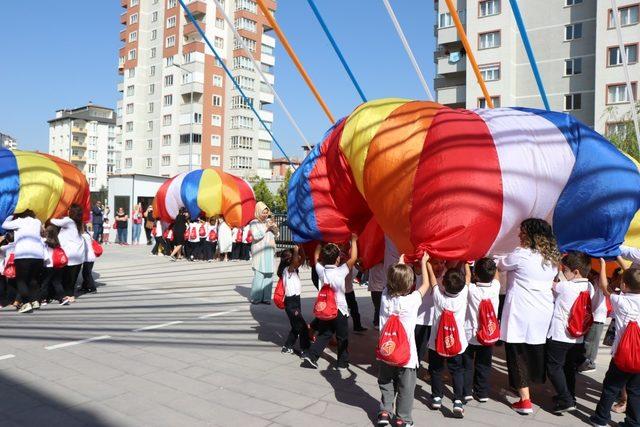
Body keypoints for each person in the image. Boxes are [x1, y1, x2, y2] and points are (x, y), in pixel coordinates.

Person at [496, 218, 560, 415]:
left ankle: (525, 400)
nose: (519, 234)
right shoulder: (551, 258)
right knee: (534, 348)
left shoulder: (521, 255)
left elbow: (500, 264)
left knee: (516, 352)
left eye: (522, 231)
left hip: (521, 310)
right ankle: (528, 383)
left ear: (530, 235)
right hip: (542, 310)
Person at [376, 252, 431, 427]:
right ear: (410, 285)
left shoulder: (385, 298)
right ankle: (403, 418)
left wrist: (400, 263)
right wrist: (424, 262)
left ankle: (385, 411)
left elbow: (389, 283)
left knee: (386, 382)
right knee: (406, 388)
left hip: (387, 351)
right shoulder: (412, 301)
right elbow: (426, 285)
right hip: (406, 357)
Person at [590, 264, 640, 427]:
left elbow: (605, 287)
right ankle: (633, 423)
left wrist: (603, 264)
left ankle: (600, 419)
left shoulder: (621, 301)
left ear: (624, 285)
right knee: (635, 391)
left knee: (611, 387)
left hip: (622, 354)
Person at [301, 234, 358, 373]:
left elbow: (315, 257)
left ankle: (312, 355)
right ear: (338, 259)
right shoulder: (340, 271)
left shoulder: (321, 270)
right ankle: (342, 363)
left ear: (323, 258)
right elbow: (353, 258)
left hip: (326, 309)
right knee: (342, 337)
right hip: (339, 309)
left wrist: (320, 243)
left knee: (324, 334)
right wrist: (354, 241)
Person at [545, 251, 593, 414]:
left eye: (566, 270)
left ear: (576, 272)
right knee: (568, 369)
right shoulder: (590, 287)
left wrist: (557, 267)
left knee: (553, 367)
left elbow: (552, 284)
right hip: (578, 337)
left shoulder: (565, 286)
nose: (564, 273)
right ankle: (570, 396)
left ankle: (565, 399)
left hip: (560, 334)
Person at [427, 265, 469, 418]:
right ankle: (458, 400)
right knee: (457, 371)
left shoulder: (438, 296)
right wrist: (466, 263)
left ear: (443, 283)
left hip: (436, 343)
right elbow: (468, 278)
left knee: (436, 370)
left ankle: (436, 397)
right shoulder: (463, 294)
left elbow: (432, 281)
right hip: (456, 344)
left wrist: (427, 264)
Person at [463, 258, 500, 404]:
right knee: (484, 364)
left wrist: (466, 264)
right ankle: (482, 392)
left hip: (470, 334)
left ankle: (466, 392)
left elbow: (466, 279)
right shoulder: (496, 287)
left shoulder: (471, 290)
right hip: (488, 334)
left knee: (467, 364)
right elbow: (496, 276)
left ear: (475, 275)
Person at [1, 210, 45, 314]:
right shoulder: (37, 221)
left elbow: (4, 225)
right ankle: (35, 301)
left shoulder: (19, 221)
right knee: (33, 279)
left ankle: (25, 303)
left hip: (23, 254)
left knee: (21, 280)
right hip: (38, 254)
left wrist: (11, 215)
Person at [278, 246, 311, 355]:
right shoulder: (287, 270)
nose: (297, 258)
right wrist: (296, 250)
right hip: (291, 303)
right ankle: (305, 350)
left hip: (296, 300)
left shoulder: (293, 269)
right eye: (294, 257)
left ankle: (287, 346)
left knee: (296, 326)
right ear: (289, 260)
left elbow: (302, 259)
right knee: (302, 327)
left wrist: (301, 247)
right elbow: (297, 261)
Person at [51, 204, 86, 303]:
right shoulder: (78, 223)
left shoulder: (69, 221)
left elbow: (54, 221)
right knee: (72, 277)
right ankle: (70, 295)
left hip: (69, 254)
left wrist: (56, 214)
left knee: (64, 276)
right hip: (78, 254)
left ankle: (65, 295)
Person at [248, 203, 278, 304]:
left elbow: (277, 234)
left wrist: (274, 228)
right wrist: (266, 227)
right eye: (263, 213)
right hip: (259, 252)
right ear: (258, 212)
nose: (265, 215)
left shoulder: (269, 221)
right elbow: (256, 236)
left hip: (269, 251)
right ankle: (255, 298)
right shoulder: (253, 223)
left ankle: (266, 298)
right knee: (259, 275)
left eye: (266, 213)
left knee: (269, 275)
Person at [39, 225, 68, 305]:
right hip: (57, 265)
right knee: (57, 282)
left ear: (47, 232)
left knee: (45, 283)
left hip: (48, 265)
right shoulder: (57, 241)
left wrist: (41, 228)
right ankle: (62, 298)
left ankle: (43, 299)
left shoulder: (44, 241)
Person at [79, 225, 97, 294]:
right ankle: (84, 287)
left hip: (88, 257)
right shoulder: (87, 234)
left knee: (87, 273)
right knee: (86, 272)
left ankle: (93, 288)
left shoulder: (84, 236)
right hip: (90, 257)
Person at [368, 262, 385, 329]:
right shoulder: (372, 261)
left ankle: (377, 322)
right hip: (376, 288)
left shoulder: (385, 262)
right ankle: (377, 322)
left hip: (380, 287)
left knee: (379, 307)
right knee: (378, 307)